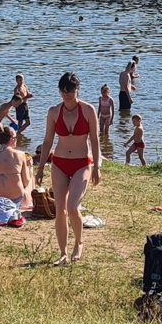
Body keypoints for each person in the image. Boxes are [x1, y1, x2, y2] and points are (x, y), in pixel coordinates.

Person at [34, 72, 103, 265]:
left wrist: (97, 167)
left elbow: (95, 141)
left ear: (77, 90)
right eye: (63, 91)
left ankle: (78, 243)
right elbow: (48, 141)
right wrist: (40, 168)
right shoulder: (54, 111)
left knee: (73, 206)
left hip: (82, 162)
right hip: (60, 163)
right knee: (60, 209)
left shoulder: (88, 110)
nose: (66, 94)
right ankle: (63, 253)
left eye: (70, 91)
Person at [0, 125, 34, 209]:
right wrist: (29, 167)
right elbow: (26, 181)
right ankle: (32, 201)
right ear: (12, 139)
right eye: (16, 138)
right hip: (19, 200)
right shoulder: (19, 154)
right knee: (31, 177)